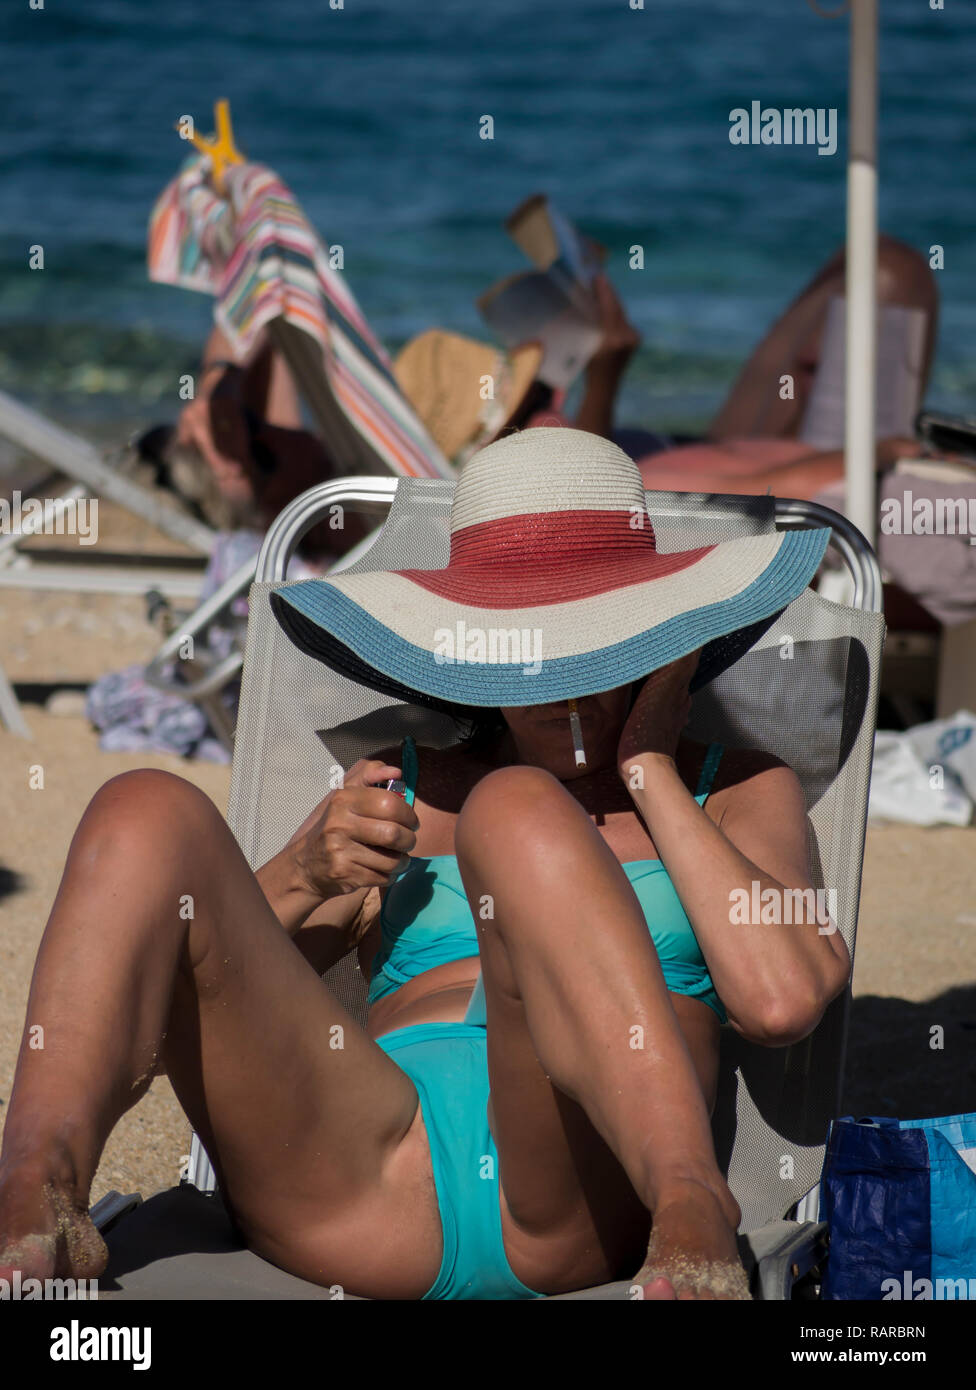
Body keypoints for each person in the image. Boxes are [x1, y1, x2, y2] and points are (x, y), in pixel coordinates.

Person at [0, 428, 852, 1300]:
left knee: (517, 811)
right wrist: (304, 873)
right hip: (360, 1178)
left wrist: (651, 768)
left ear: (661, 642)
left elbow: (779, 999)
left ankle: (694, 1198)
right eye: (533, 643)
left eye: (604, 639)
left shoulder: (732, 791)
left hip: (579, 1192)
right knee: (144, 808)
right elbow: (210, 987)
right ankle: (38, 1188)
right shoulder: (398, 793)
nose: (567, 683)